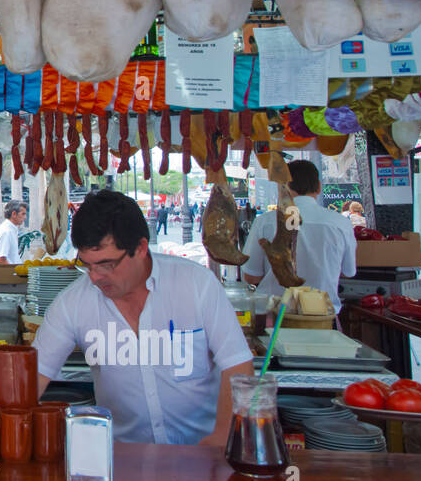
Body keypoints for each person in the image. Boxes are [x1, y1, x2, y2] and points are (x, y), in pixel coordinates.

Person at [32, 190, 252, 445]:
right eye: (87, 265)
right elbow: (34, 374)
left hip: (202, 455)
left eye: (106, 264)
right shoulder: (73, 302)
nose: (94, 277)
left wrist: (222, 439)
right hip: (121, 460)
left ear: (141, 248)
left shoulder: (196, 285)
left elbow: (238, 367)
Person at [242, 160, 357, 313]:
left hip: (275, 317)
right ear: (319, 187)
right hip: (322, 318)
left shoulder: (265, 222)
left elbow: (251, 276)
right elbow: (348, 271)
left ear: (285, 187)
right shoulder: (341, 223)